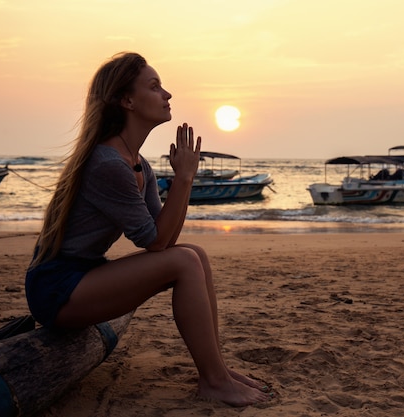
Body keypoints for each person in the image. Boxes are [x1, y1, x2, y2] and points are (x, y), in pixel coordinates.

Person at [25, 52, 270, 406]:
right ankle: (215, 380)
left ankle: (217, 369)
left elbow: (165, 238)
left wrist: (183, 178)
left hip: (84, 277)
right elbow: (155, 243)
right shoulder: (108, 164)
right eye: (154, 87)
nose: (167, 94)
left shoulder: (137, 163)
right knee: (184, 261)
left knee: (193, 254)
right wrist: (184, 177)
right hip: (56, 289)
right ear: (127, 101)